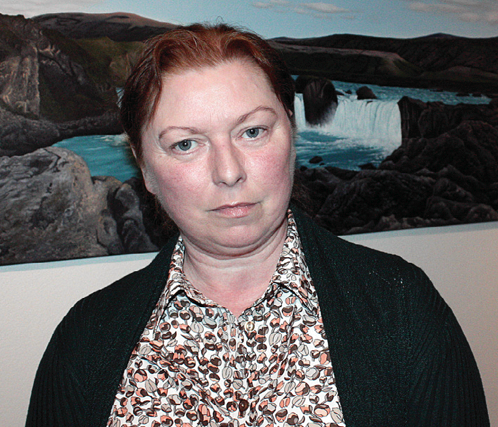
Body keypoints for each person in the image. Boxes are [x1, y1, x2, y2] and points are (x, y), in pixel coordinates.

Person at [26, 23, 489, 427]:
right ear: (145, 168)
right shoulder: (85, 342)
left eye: (253, 132)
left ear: (292, 134)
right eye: (186, 144)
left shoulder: (403, 309)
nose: (229, 172)